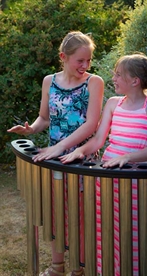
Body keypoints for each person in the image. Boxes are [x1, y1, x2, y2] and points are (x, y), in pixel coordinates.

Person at [59, 53, 147, 275]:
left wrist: (127, 157)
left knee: (131, 233)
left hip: (135, 182)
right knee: (104, 229)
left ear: (135, 81)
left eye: (118, 75)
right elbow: (98, 139)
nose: (113, 79)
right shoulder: (113, 103)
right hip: (106, 177)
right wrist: (78, 150)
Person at [7, 31, 104, 276]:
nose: (85, 65)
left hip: (83, 160)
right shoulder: (49, 81)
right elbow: (44, 118)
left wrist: (61, 147)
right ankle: (57, 266)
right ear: (63, 56)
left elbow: (92, 124)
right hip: (53, 160)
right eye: (80, 60)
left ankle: (79, 268)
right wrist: (31, 129)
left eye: (88, 60)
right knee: (55, 215)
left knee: (81, 215)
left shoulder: (94, 82)